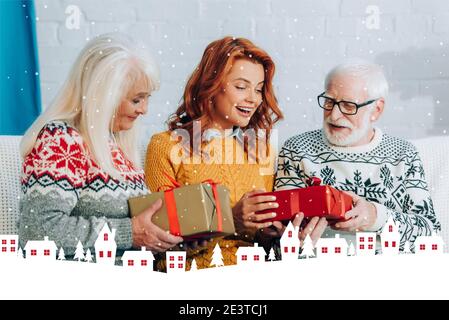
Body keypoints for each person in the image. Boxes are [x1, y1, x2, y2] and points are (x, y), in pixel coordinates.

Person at [19, 33, 183, 260]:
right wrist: (130, 232)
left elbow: (137, 232)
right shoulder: (61, 140)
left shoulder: (116, 143)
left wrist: (176, 239)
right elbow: (37, 232)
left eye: (147, 98)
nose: (144, 110)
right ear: (104, 95)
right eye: (136, 100)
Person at [272, 60, 441, 254]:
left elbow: (431, 235)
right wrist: (289, 242)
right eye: (329, 102)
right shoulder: (297, 149)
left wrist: (375, 216)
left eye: (348, 105)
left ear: (376, 110)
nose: (334, 115)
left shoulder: (403, 154)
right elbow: (276, 237)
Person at [145, 36, 284, 269]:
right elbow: (159, 240)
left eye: (259, 89)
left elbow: (260, 242)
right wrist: (230, 219)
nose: (253, 98)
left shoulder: (261, 150)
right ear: (211, 85)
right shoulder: (166, 146)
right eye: (241, 87)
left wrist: (270, 234)